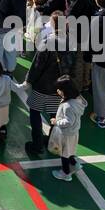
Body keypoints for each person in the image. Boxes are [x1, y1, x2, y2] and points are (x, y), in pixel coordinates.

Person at [22, 17, 69, 157]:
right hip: (59, 88)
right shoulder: (71, 43)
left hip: (42, 86)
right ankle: (52, 141)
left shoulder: (47, 42)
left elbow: (37, 66)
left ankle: (36, 145)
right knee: (55, 115)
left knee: (35, 112)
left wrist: (28, 80)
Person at [50, 75, 87, 181]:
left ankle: (65, 174)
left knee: (64, 154)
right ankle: (75, 164)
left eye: (60, 89)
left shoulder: (68, 106)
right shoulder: (77, 100)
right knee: (70, 151)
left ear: (66, 91)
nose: (58, 91)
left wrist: (56, 122)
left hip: (66, 134)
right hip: (74, 132)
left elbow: (68, 121)